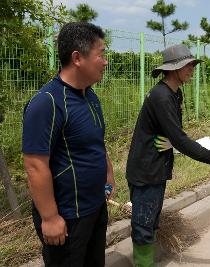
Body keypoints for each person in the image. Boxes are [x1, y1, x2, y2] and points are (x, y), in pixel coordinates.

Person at [125, 44, 210, 266]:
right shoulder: (162, 96)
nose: (192, 69)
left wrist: (171, 141)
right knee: (144, 225)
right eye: (188, 65)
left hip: (157, 167)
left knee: (151, 221)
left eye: (193, 64)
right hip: (146, 170)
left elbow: (173, 134)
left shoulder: (174, 94)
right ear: (173, 69)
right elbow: (180, 138)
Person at [22, 22, 114, 266]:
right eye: (101, 54)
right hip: (68, 217)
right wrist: (50, 217)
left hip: (95, 207)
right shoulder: (47, 102)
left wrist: (108, 175)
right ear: (77, 58)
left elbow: (97, 142)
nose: (105, 61)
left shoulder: (90, 96)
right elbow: (34, 165)